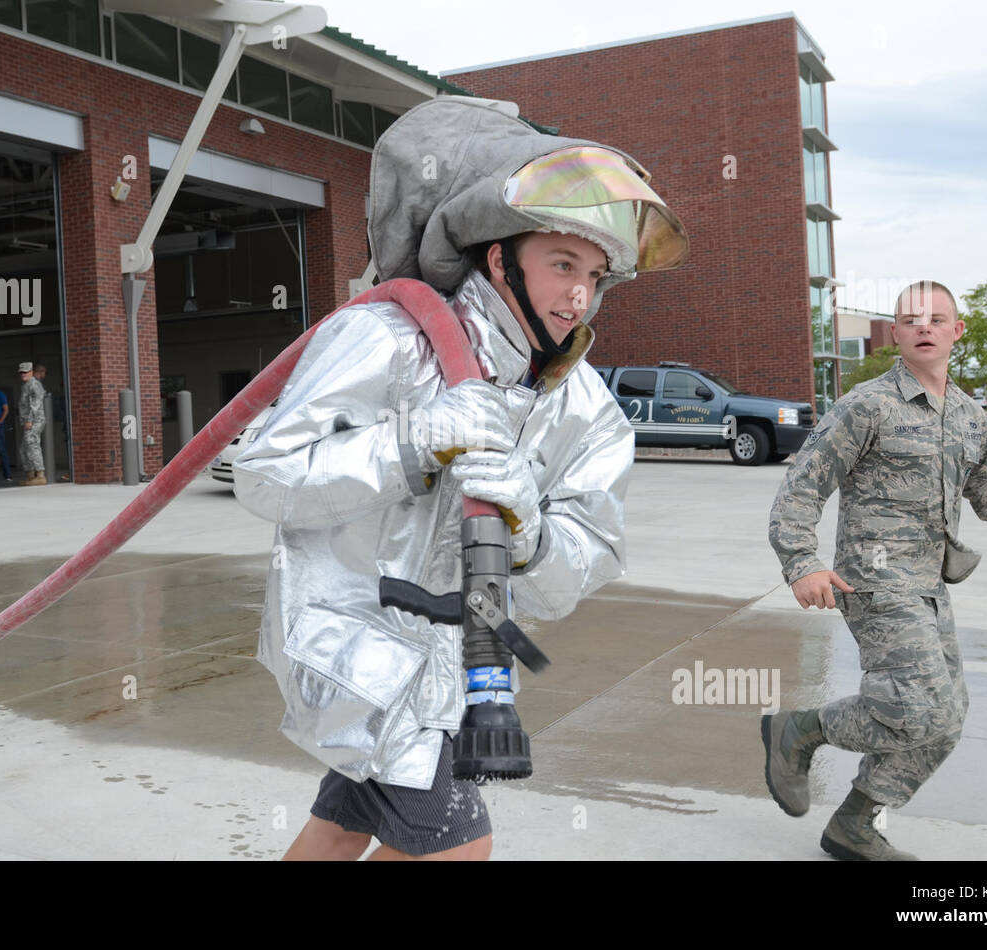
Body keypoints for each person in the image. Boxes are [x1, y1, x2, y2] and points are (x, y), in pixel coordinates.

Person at [233, 97, 688, 861]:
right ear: (498, 253)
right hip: (357, 644)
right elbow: (265, 475)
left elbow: (591, 556)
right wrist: (411, 441)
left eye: (597, 275)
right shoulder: (385, 338)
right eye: (563, 263)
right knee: (457, 847)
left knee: (341, 829)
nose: (579, 294)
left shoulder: (586, 408)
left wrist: (534, 539)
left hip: (455, 672)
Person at [765, 280, 987, 861]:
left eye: (937, 319)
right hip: (872, 583)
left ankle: (854, 824)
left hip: (929, 587)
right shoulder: (868, 404)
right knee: (918, 707)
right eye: (911, 319)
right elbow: (802, 487)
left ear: (957, 331)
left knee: (948, 718)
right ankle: (801, 728)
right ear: (896, 334)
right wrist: (802, 562)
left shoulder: (967, 415)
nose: (924, 327)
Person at [17, 362, 47, 486]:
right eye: (21, 372)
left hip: (35, 421)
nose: (23, 374)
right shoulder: (25, 385)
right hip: (27, 422)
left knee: (33, 445)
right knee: (24, 449)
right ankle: (30, 475)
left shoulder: (34, 384)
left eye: (25, 372)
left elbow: (35, 405)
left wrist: (29, 420)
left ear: (31, 372)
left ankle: (40, 475)